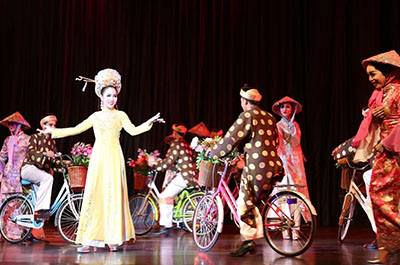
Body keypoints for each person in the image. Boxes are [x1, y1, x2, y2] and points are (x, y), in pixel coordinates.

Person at [43, 68, 164, 253]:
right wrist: (55, 132)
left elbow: (133, 131)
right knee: (95, 194)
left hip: (115, 157)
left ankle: (113, 238)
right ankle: (89, 239)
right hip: (99, 158)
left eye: (114, 96)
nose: (112, 99)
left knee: (113, 195)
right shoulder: (96, 116)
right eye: (108, 95)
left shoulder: (121, 115)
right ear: (101, 96)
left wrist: (149, 122)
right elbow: (76, 128)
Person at [209, 84, 284, 257]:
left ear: (244, 101)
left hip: (257, 166)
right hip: (274, 164)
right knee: (255, 202)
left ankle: (248, 241)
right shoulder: (270, 117)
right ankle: (253, 236)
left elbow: (231, 138)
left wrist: (214, 152)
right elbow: (272, 140)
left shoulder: (248, 115)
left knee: (244, 202)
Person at [355, 50, 400, 264]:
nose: (371, 79)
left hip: (394, 152)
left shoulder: (398, 91)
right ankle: (388, 246)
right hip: (387, 152)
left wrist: (387, 142)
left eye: (374, 74)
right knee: (380, 196)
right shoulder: (385, 92)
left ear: (387, 72)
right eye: (369, 76)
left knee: (382, 196)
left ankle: (391, 246)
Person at [271, 96, 311, 240]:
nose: (285, 110)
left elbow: (296, 143)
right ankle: (285, 229)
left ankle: (296, 229)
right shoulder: (278, 126)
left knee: (297, 194)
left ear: (292, 109)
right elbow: (280, 145)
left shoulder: (296, 125)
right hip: (284, 161)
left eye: (288, 107)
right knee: (285, 194)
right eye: (282, 107)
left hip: (297, 162)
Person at [152, 124, 197, 235]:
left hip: (184, 176)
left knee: (164, 196)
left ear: (175, 133)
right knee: (170, 196)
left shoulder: (177, 144)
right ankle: (171, 222)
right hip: (190, 175)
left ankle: (166, 226)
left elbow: (169, 161)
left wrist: (156, 164)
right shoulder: (185, 144)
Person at [20, 114, 60, 219]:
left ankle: (34, 228)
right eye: (50, 124)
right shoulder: (35, 137)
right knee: (48, 178)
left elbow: (53, 160)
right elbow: (31, 153)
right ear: (43, 126)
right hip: (29, 168)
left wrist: (64, 163)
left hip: (40, 173)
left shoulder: (52, 142)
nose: (53, 127)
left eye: (54, 125)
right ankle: (40, 210)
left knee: (41, 194)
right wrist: (45, 154)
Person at [0, 112, 31, 202]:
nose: (10, 125)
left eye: (13, 123)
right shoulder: (8, 139)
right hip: (8, 174)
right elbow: (2, 157)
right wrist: (1, 171)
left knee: (19, 199)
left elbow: (31, 156)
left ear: (19, 125)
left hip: (20, 173)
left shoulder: (27, 139)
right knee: (5, 199)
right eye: (9, 123)